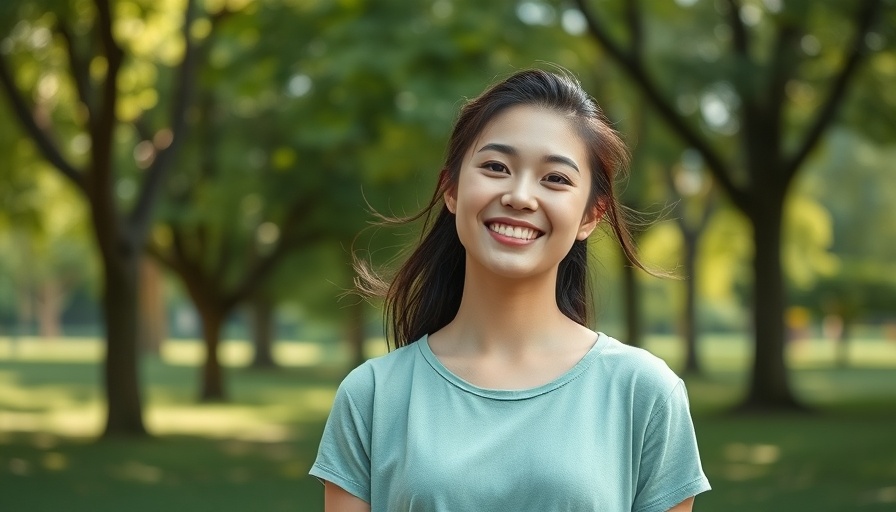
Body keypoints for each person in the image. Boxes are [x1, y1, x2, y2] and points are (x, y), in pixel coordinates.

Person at [310, 67, 711, 511]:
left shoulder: (645, 393)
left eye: (555, 178)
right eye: (496, 167)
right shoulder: (372, 396)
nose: (520, 196)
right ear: (451, 189)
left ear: (590, 216)